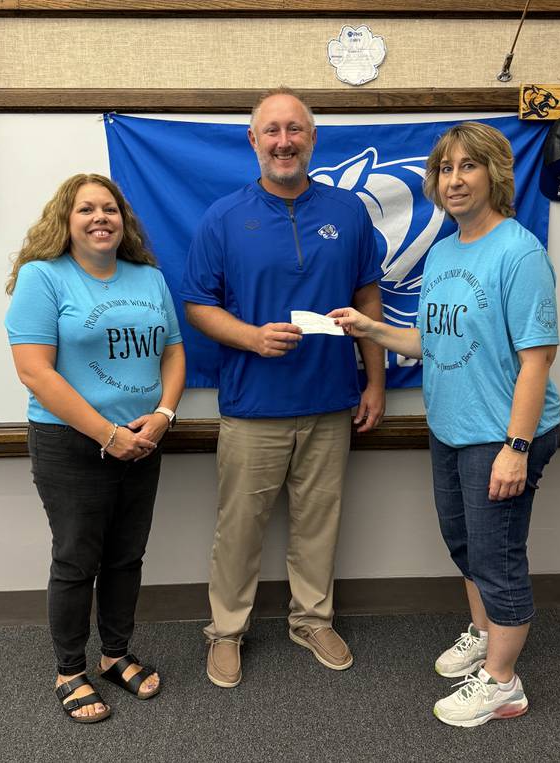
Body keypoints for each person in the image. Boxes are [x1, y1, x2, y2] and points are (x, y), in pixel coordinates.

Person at [329, 121, 560, 727]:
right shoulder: (443, 252)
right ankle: (485, 634)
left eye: (467, 166)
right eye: (444, 169)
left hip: (502, 432)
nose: (453, 180)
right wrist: (369, 328)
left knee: (497, 556)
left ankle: (504, 684)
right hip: (452, 427)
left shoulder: (518, 251)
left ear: (495, 175)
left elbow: (538, 358)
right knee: (465, 548)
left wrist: (516, 446)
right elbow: (432, 339)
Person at [180, 87, 385, 688]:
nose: (284, 142)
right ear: (253, 140)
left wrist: (374, 382)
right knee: (238, 528)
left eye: (295, 130)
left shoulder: (349, 213)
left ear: (313, 139)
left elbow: (367, 300)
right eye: (271, 131)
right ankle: (225, 631)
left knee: (319, 521)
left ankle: (311, 619)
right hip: (252, 406)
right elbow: (197, 305)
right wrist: (249, 338)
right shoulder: (223, 217)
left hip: (329, 402)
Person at [5, 173, 185, 723]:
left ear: (123, 220)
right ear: (66, 219)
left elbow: (174, 353)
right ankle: (69, 671)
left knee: (127, 555)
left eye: (109, 208)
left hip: (143, 439)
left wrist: (162, 416)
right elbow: (35, 372)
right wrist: (107, 435)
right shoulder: (44, 277)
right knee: (77, 559)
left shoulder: (148, 278)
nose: (100, 218)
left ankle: (114, 655)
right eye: (86, 209)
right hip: (71, 445)